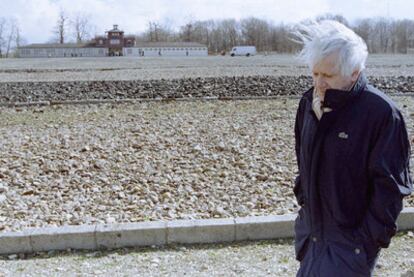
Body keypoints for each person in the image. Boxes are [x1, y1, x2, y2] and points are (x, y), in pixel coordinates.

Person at [292, 20, 412, 276]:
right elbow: (303, 164)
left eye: (328, 75)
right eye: (315, 74)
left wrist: (364, 242)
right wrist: (305, 211)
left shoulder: (381, 114)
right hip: (312, 241)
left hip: (352, 249)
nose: (319, 84)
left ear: (354, 72)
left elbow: (390, 189)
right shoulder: (307, 105)